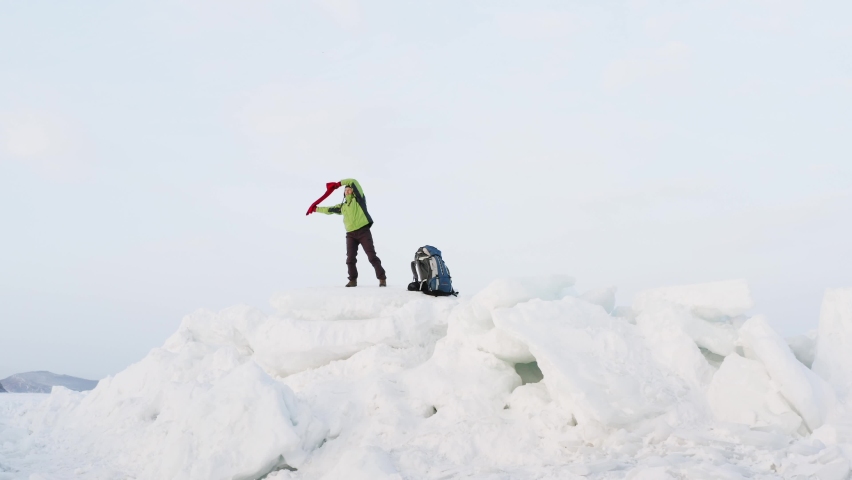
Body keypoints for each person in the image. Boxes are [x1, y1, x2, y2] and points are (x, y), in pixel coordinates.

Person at [309, 179, 387, 287]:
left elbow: (353, 181)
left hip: (363, 231)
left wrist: (339, 184)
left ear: (354, 191)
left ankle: (382, 278)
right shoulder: (343, 207)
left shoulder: (359, 199)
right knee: (350, 259)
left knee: (372, 256)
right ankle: (352, 280)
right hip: (351, 234)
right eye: (346, 190)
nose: (348, 191)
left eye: (350, 190)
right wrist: (315, 209)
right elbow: (329, 210)